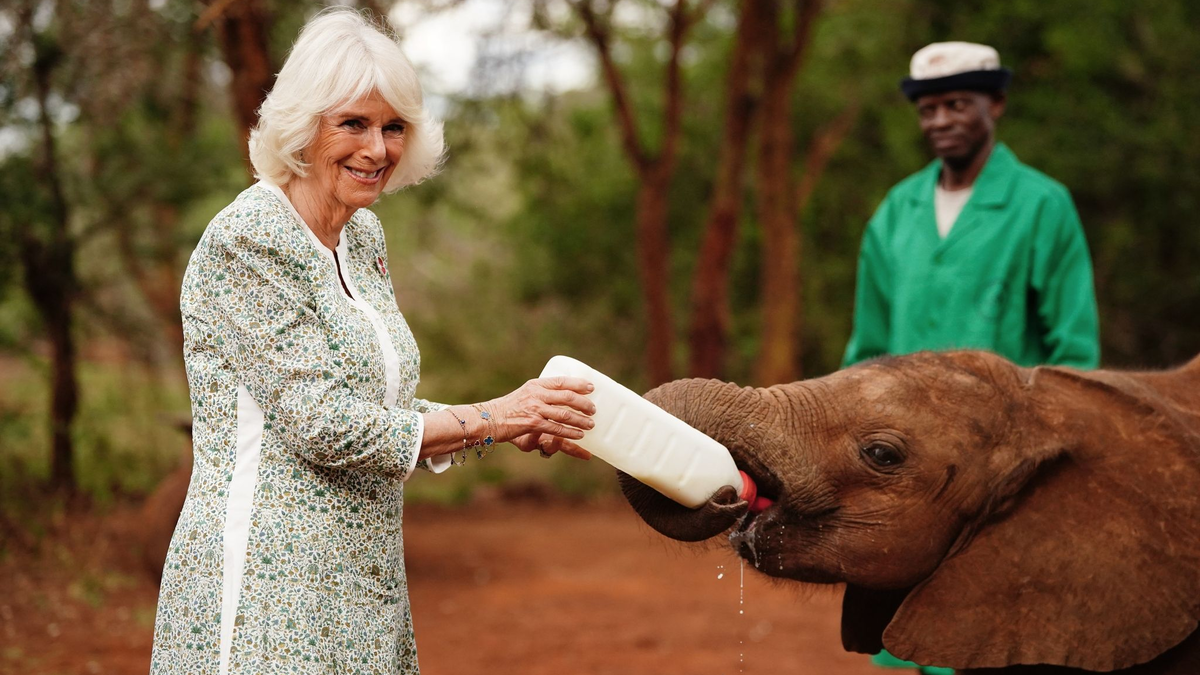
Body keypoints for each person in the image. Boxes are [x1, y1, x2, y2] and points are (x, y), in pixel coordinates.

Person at [150, 10, 595, 674]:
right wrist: (493, 418)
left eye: (393, 127)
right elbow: (324, 424)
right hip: (268, 592)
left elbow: (378, 411)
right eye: (353, 123)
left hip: (363, 583)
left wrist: (507, 420)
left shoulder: (361, 237)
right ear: (304, 124)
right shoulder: (249, 239)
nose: (378, 149)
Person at [842, 42, 1101, 674]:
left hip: (1001, 466)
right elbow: (865, 348)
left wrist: (1050, 463)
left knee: (994, 634)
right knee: (903, 631)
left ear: (996, 104)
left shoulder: (1041, 205)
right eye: (928, 108)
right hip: (903, 464)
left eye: (958, 104)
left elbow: (1074, 350)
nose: (941, 120)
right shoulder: (896, 212)